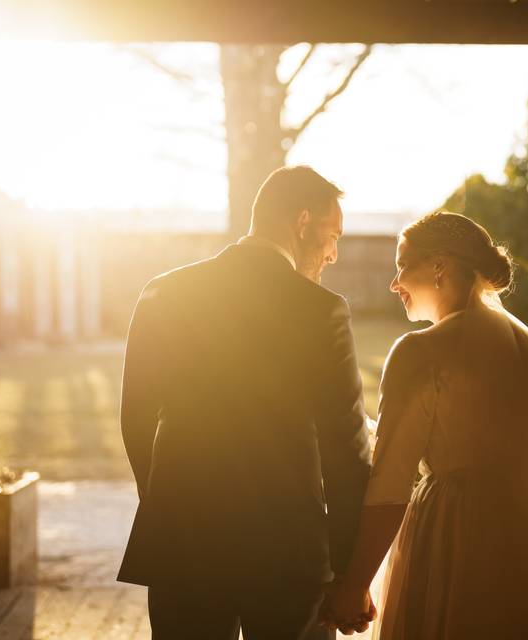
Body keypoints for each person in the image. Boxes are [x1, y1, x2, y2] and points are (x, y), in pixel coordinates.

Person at [320, 211, 528, 639]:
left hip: (457, 541)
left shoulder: (420, 351)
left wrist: (356, 585)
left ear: (439, 266)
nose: (394, 283)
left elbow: (391, 485)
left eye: (402, 266)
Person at [117, 166, 375, 639]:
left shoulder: (163, 293)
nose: (334, 253)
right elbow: (346, 452)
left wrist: (167, 505)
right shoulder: (321, 311)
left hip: (181, 543)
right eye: (332, 234)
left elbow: (134, 418)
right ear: (301, 222)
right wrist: (347, 573)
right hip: (287, 555)